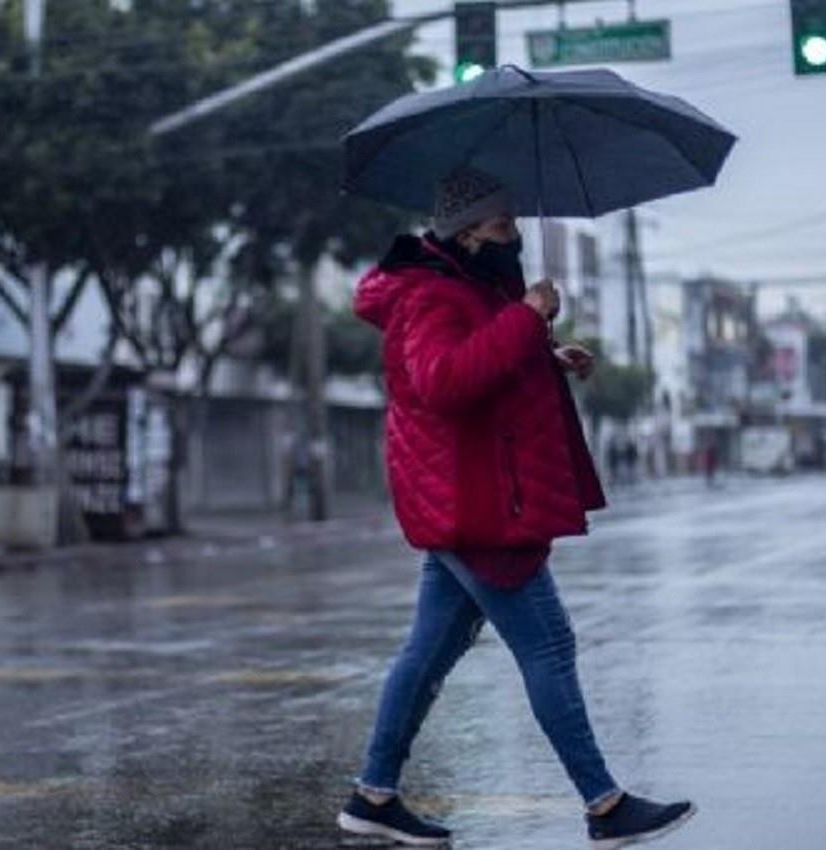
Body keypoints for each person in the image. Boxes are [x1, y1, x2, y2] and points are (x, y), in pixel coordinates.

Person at [337, 167, 694, 849]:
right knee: (549, 644)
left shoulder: (464, 286)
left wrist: (546, 352)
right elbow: (442, 382)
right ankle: (604, 804)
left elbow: (477, 358)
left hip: (468, 497)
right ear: (468, 232)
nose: (515, 236)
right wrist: (527, 316)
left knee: (429, 650)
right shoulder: (431, 295)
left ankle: (373, 795)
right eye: (503, 226)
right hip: (474, 501)